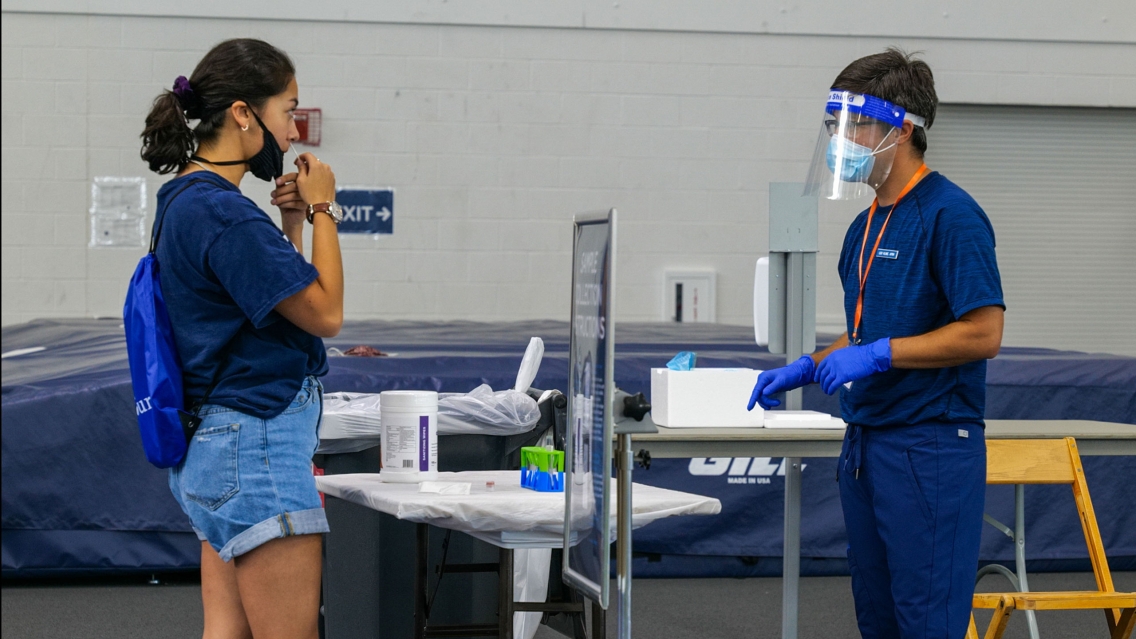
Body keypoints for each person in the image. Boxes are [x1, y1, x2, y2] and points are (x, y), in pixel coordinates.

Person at [748, 48, 1005, 639]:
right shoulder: (864, 227)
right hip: (867, 446)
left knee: (928, 623)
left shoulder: (952, 216)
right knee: (880, 622)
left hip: (928, 447)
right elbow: (864, 330)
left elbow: (984, 332)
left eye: (854, 125)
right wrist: (811, 365)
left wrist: (881, 355)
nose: (842, 139)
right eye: (835, 126)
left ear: (902, 128)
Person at [140, 39, 344, 639]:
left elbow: (279, 307)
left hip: (217, 449)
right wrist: (325, 208)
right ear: (241, 113)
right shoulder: (224, 214)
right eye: (288, 110)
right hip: (254, 448)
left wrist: (290, 227)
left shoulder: (184, 199)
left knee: (227, 632)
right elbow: (326, 313)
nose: (292, 130)